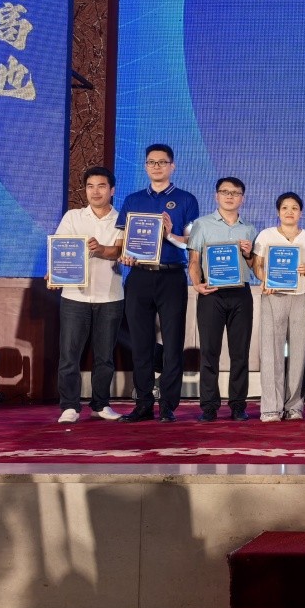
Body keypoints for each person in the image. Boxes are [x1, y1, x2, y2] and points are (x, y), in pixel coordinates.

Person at [116, 144, 199, 423]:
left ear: (172, 166)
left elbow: (191, 242)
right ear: (145, 166)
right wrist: (125, 254)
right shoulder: (133, 200)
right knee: (141, 343)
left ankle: (168, 406)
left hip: (172, 276)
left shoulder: (186, 200)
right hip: (139, 276)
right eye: (151, 162)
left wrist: (170, 233)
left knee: (173, 342)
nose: (157, 167)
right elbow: (122, 241)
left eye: (162, 162)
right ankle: (143, 404)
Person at [51, 166, 124, 423]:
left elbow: (120, 251)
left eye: (101, 186)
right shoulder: (73, 217)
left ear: (112, 190)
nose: (95, 191)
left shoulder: (121, 219)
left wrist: (101, 249)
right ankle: (69, 406)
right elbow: (59, 249)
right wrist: (53, 272)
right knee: (69, 355)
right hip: (74, 296)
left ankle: (101, 404)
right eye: (90, 186)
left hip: (111, 296)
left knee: (105, 357)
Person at [187, 177, 257, 422]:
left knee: (240, 352)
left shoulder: (249, 229)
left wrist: (248, 254)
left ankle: (238, 405)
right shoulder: (202, 224)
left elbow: (253, 266)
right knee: (209, 352)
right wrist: (197, 284)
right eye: (225, 192)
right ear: (216, 196)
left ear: (242, 198)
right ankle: (209, 406)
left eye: (235, 193)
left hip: (241, 294)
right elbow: (194, 260)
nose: (229, 196)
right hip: (211, 293)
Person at [252, 192, 305, 423]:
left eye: (294, 208)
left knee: (299, 353)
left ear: (301, 213)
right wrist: (265, 280)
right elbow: (257, 266)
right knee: (271, 352)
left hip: (302, 298)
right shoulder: (266, 235)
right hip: (274, 297)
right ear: (278, 212)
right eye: (285, 208)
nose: (290, 212)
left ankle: (294, 406)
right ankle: (271, 408)